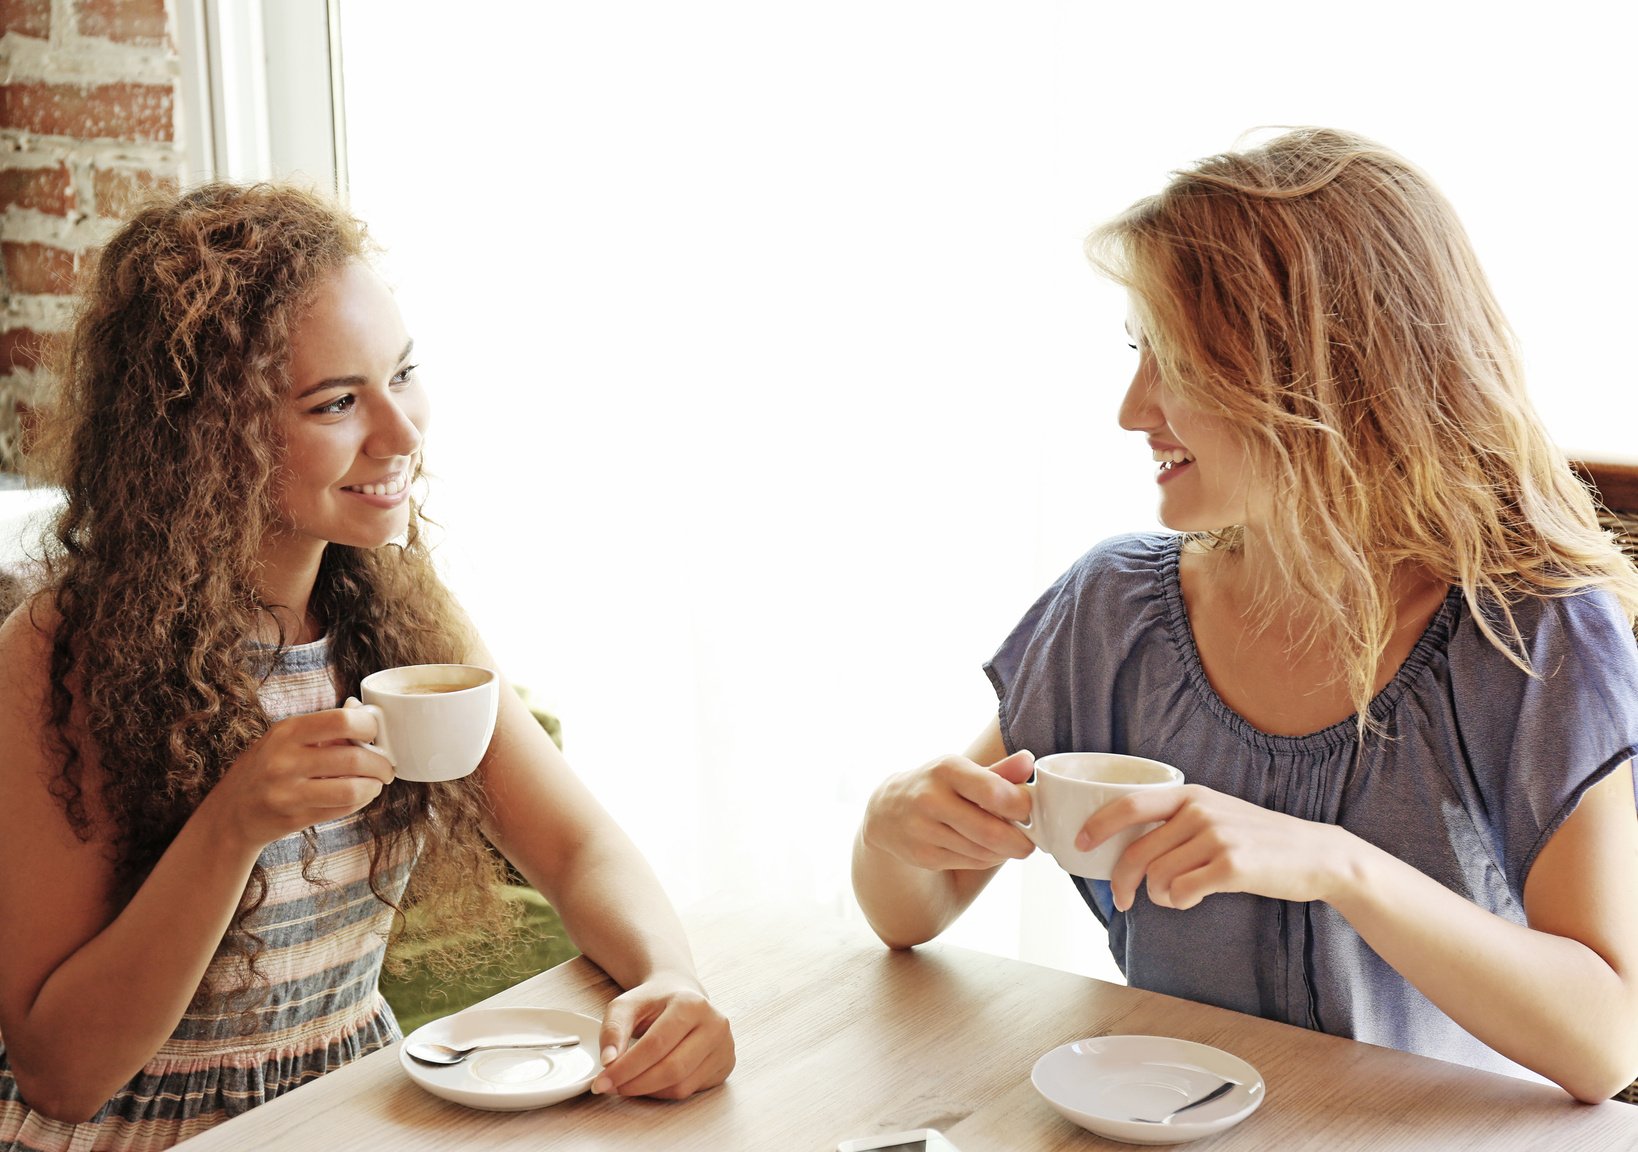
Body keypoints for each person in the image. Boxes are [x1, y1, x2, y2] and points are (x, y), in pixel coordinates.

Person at [851, 127, 1638, 1103]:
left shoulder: (1530, 637)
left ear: (1325, 375)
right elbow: (912, 914)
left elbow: (1609, 1042)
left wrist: (1337, 865)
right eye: (1142, 353)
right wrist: (893, 831)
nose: (1133, 409)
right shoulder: (1111, 613)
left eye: (1175, 362)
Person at [0, 183, 734, 1152]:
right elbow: (61, 1071)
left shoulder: (393, 609)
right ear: (205, 436)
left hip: (354, 1119)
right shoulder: (62, 654)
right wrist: (233, 824)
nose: (401, 433)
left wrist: (669, 979)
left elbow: (577, 848)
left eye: (403, 374)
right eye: (337, 402)